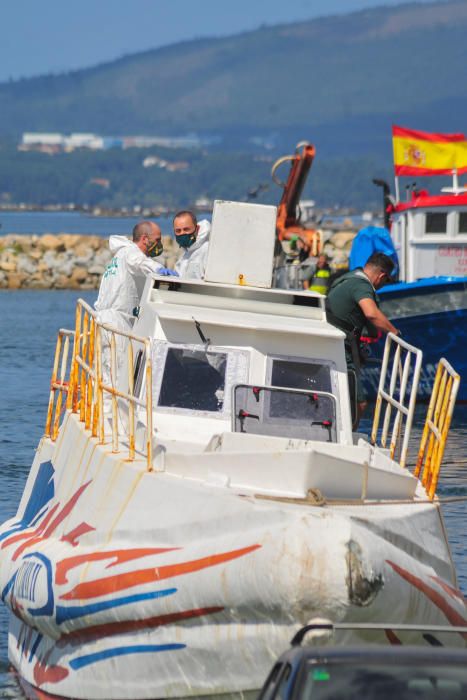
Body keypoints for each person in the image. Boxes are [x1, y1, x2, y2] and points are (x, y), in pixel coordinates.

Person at [95, 221, 177, 394]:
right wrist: (159, 270)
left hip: (104, 320)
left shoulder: (118, 258)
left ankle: (103, 413)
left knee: (106, 374)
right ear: (145, 239)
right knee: (116, 377)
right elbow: (141, 263)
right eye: (158, 239)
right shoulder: (131, 253)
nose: (160, 244)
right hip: (117, 324)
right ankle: (111, 417)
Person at [326, 252, 399, 428]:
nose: (384, 285)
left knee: (344, 400)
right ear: (382, 276)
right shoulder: (362, 285)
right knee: (358, 404)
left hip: (332, 344)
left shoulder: (349, 278)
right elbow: (371, 314)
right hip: (340, 349)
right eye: (386, 281)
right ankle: (346, 442)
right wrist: (394, 332)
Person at [174, 210, 211, 279]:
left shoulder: (208, 249)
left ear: (197, 229)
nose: (182, 233)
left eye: (186, 229)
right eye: (178, 231)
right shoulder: (185, 255)